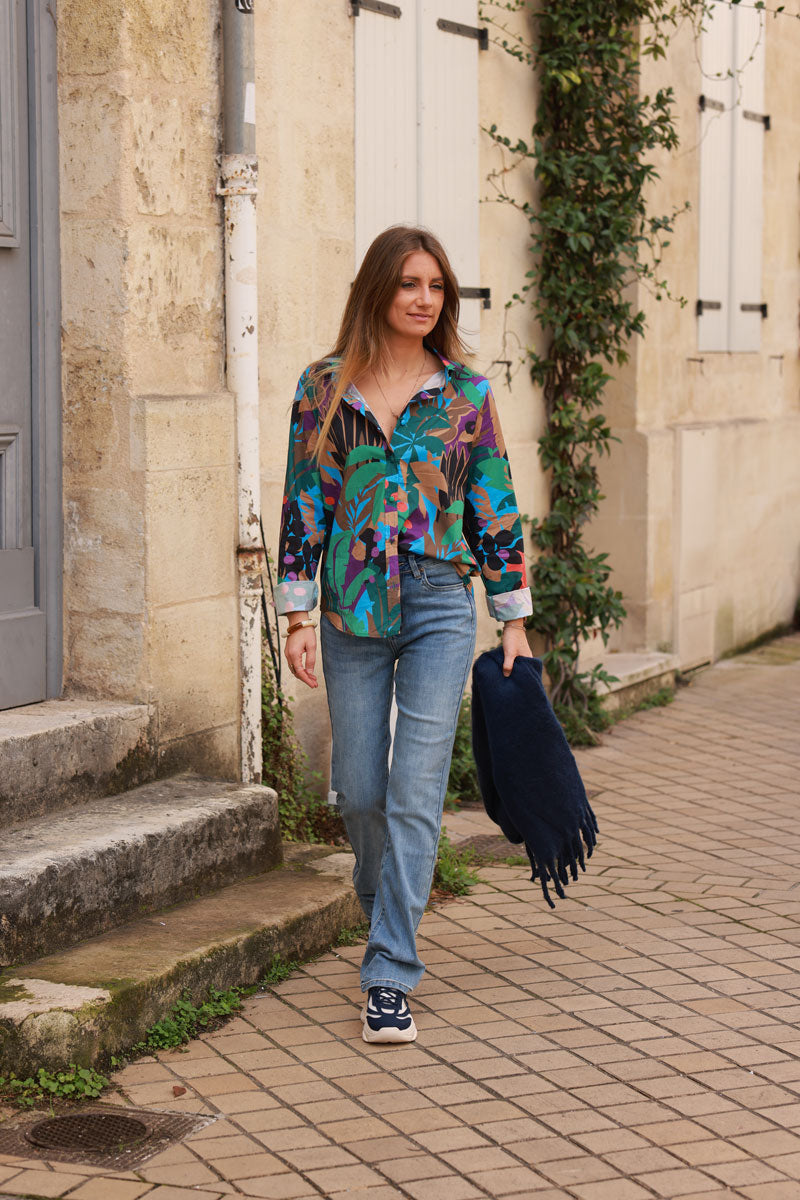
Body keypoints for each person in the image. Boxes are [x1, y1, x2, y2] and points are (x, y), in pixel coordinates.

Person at [275, 225, 533, 1044]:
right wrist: (294, 611)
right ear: (378, 290)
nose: (424, 300)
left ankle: (389, 970)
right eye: (409, 284)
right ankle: (385, 907)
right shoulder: (323, 387)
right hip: (351, 608)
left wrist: (513, 620)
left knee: (418, 790)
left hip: (437, 604)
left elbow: (494, 506)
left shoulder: (465, 396)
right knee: (358, 787)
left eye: (436, 287)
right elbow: (303, 502)